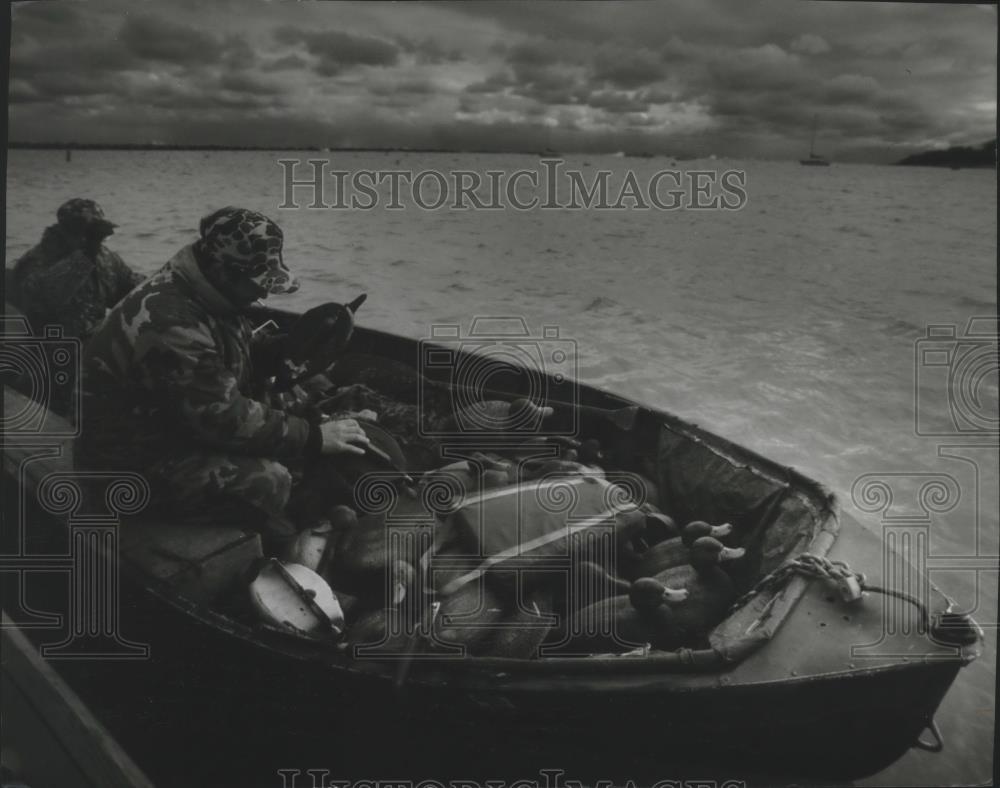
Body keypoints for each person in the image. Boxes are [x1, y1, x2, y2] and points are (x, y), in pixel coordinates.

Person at [76, 206, 373, 547]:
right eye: (258, 283)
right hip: (120, 468)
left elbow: (227, 354)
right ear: (223, 270)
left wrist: (282, 350)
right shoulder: (168, 320)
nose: (264, 293)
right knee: (269, 481)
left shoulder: (206, 290)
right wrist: (314, 438)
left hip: (163, 429)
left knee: (289, 411)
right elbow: (222, 418)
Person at [12, 198, 144, 341]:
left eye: (97, 234)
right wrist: (87, 254)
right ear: (64, 230)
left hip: (94, 347)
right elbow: (46, 300)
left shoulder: (104, 257)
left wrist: (161, 285)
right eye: (87, 233)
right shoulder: (36, 260)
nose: (93, 239)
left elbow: (129, 289)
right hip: (50, 349)